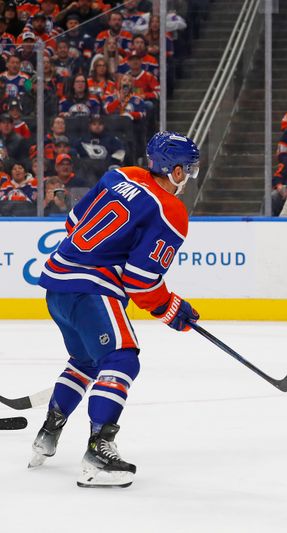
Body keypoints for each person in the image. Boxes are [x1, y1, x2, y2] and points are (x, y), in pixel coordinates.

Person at [30, 131, 202, 488]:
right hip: (89, 290)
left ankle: (47, 434)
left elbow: (74, 221)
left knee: (86, 362)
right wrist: (171, 309)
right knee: (122, 359)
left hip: (57, 283)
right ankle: (99, 450)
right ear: (174, 171)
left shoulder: (119, 175)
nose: (188, 176)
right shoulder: (171, 211)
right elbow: (142, 280)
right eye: (187, 169)